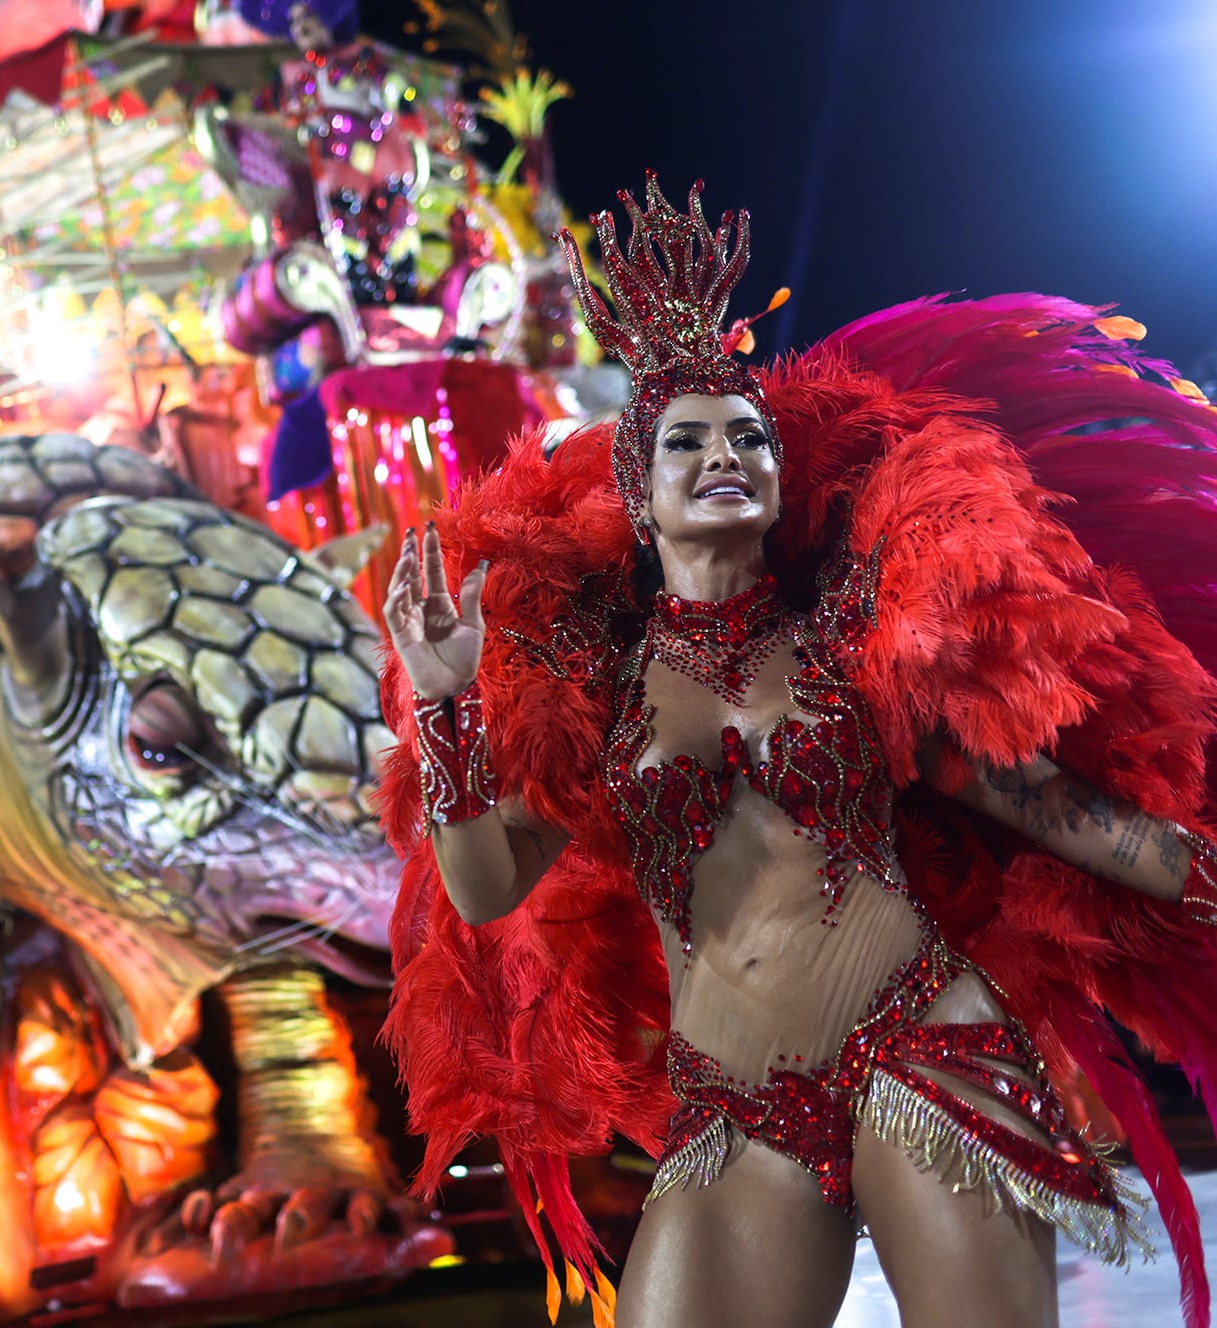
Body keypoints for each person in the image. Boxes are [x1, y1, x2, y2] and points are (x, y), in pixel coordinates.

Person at [378, 175, 1217, 1328]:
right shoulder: (600, 695)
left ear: (775, 476)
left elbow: (1037, 800)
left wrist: (1200, 866)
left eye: (749, 437)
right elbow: (484, 886)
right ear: (641, 484)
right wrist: (443, 705)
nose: (726, 454)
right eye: (688, 440)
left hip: (922, 1046)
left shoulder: (853, 640)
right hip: (735, 1109)